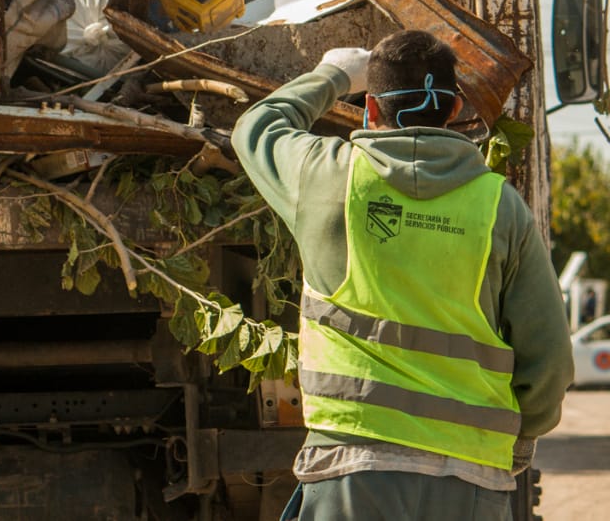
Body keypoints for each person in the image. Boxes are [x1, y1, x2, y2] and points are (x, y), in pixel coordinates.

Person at [233, 29, 572, 520]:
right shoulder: (500, 208)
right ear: (454, 110)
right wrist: (522, 437)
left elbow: (257, 127)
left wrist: (332, 75)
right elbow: (551, 362)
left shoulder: (327, 179)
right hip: (470, 476)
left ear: (370, 109)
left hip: (352, 468)